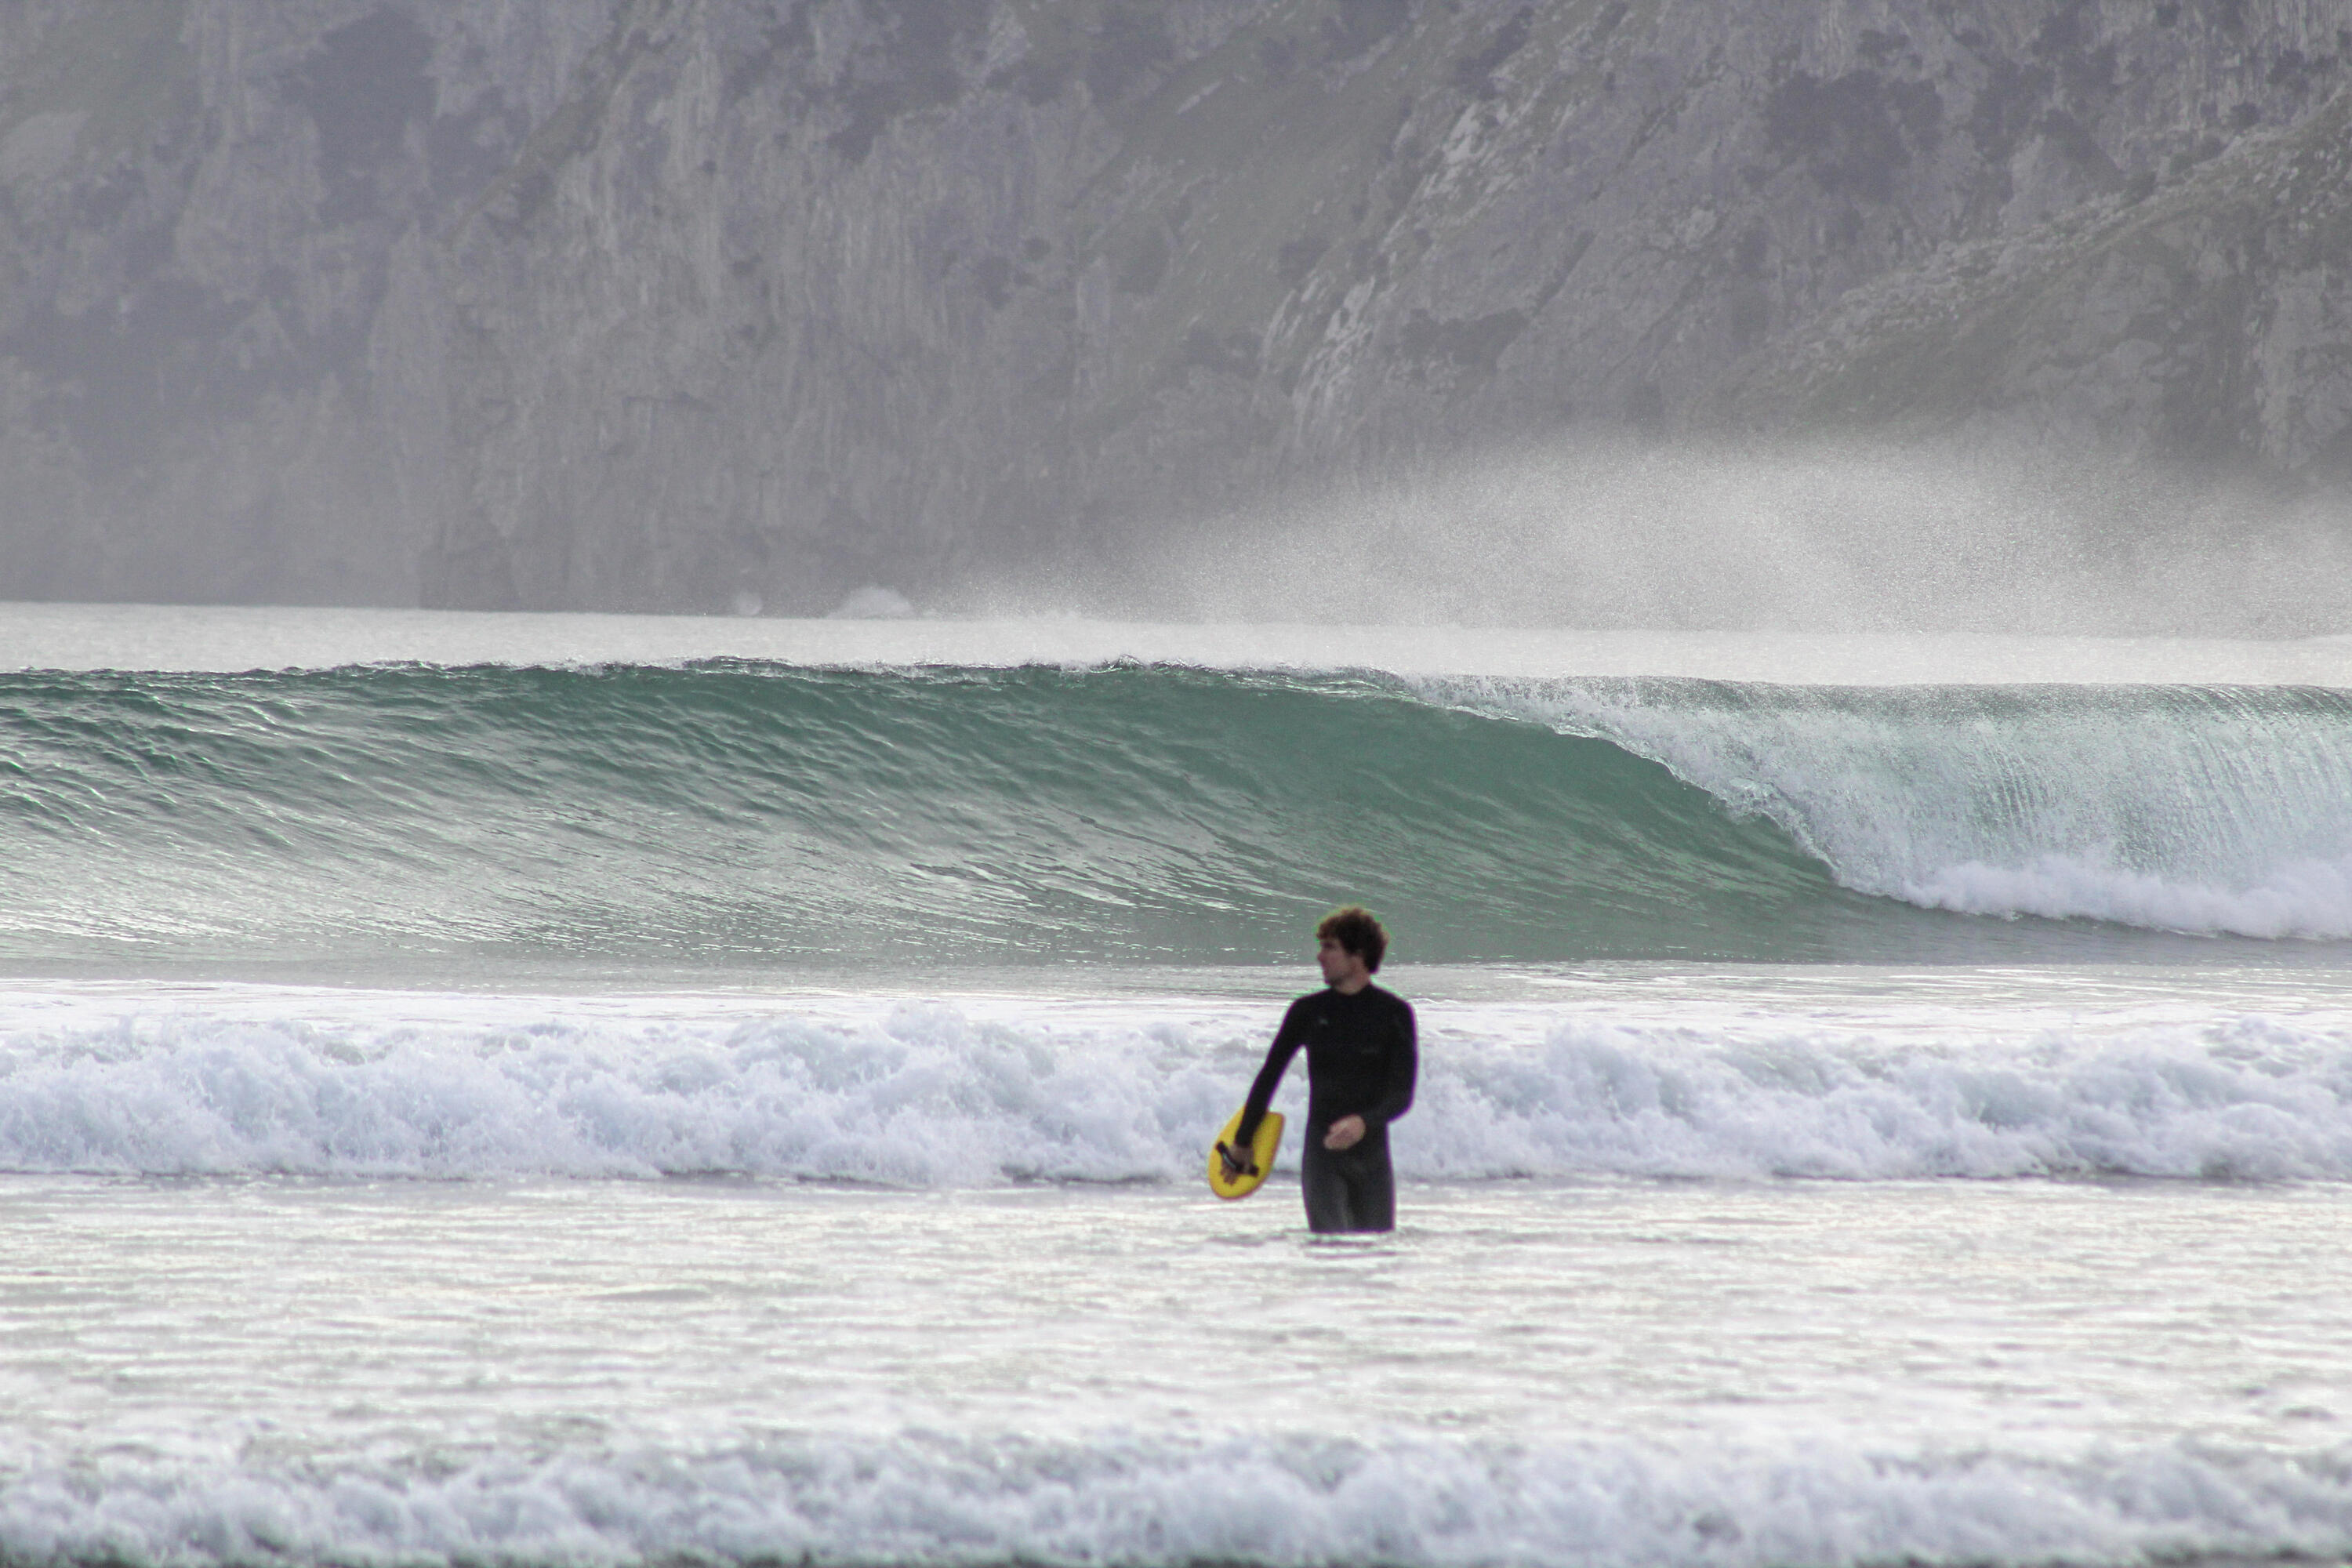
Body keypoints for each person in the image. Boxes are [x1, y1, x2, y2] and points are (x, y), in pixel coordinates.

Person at [1219, 906, 1417, 1233]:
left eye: (1330, 947)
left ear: (1358, 955)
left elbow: (1402, 1094)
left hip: (1373, 1161)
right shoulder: (1308, 1012)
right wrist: (1243, 1140)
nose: (1319, 957)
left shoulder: (1394, 1014)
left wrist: (1363, 1122)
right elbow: (1270, 1076)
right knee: (1330, 1253)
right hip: (1323, 1157)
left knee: (1376, 1261)